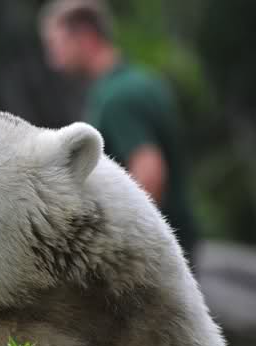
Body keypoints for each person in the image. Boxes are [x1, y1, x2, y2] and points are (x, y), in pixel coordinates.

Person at [39, 0, 197, 259]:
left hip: (156, 257)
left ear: (85, 36)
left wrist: (117, 249)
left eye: (56, 44)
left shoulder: (116, 98)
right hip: (182, 244)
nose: (52, 60)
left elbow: (150, 173)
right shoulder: (143, 81)